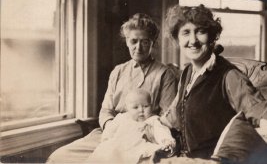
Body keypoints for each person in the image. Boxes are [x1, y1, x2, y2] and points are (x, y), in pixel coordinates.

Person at [159, 4, 267, 162]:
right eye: (186, 32)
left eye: (200, 31)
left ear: (212, 36)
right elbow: (176, 114)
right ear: (177, 39)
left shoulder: (230, 76)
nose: (193, 40)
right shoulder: (188, 73)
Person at [47, 13, 177, 163]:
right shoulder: (118, 71)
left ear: (153, 43)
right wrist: (112, 128)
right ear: (127, 42)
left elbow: (167, 116)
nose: (138, 47)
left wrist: (150, 131)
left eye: (145, 42)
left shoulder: (165, 74)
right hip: (112, 133)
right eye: (134, 41)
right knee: (59, 157)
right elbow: (106, 110)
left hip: (145, 136)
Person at [85, 89, 176, 163]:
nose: (141, 110)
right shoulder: (121, 118)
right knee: (105, 153)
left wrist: (166, 140)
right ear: (127, 108)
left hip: (140, 145)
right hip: (118, 145)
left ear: (151, 106)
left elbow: (161, 131)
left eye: (145, 106)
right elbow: (110, 130)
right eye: (135, 107)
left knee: (151, 153)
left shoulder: (152, 120)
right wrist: (106, 139)